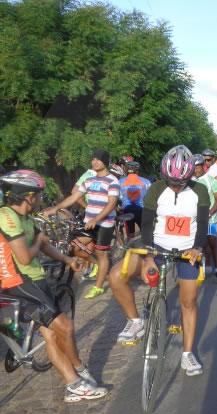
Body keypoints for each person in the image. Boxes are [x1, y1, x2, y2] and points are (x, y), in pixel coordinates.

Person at [0, 170, 107, 401]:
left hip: (34, 279)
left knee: (50, 335)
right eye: (38, 194)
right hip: (19, 282)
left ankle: (73, 385)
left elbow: (45, 245)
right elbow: (26, 257)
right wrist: (38, 241)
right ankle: (79, 369)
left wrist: (68, 260)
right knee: (65, 327)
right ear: (27, 196)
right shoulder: (7, 217)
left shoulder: (27, 217)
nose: (40, 198)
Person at [108, 145, 209, 375]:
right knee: (116, 275)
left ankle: (187, 354)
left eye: (180, 182)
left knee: (189, 300)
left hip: (187, 250)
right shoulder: (155, 188)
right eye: (171, 181)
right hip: (156, 245)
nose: (175, 185)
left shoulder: (200, 190)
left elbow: (202, 223)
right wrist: (149, 257)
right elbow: (146, 223)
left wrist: (198, 247)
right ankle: (136, 321)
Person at [44, 149, 119, 299]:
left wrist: (96, 219)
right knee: (74, 247)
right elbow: (74, 197)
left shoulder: (113, 181)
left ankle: (98, 287)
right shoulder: (89, 180)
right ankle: (99, 265)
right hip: (88, 222)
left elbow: (111, 204)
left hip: (104, 224)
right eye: (93, 159)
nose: (94, 162)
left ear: (106, 162)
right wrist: (56, 208)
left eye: (98, 159)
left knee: (101, 253)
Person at [192, 154, 217, 280]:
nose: (194, 170)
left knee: (213, 243)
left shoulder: (211, 181)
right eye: (192, 168)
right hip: (197, 220)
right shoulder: (191, 182)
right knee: (202, 244)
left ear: (203, 166)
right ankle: (208, 265)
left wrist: (209, 213)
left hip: (211, 219)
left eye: (197, 167)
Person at [119, 161, 151, 239]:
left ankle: (129, 248)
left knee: (130, 235)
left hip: (127, 211)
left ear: (126, 170)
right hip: (142, 210)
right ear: (137, 171)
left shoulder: (119, 182)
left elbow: (117, 198)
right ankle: (145, 248)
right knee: (145, 233)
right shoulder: (147, 182)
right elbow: (150, 198)